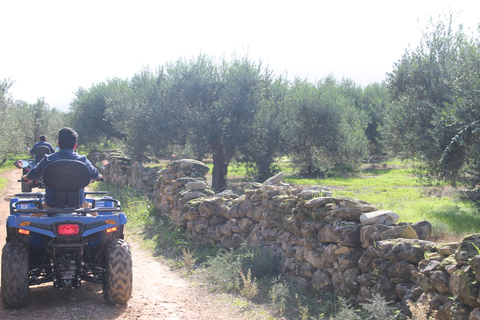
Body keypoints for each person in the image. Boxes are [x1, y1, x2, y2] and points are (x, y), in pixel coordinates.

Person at [23, 127, 102, 210]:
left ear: (58, 144)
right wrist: (99, 177)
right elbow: (95, 174)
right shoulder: (82, 160)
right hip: (78, 206)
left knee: (32, 221)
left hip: (51, 206)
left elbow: (34, 174)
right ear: (75, 145)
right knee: (96, 217)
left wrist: (26, 177)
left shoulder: (48, 159)